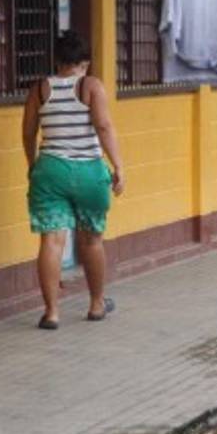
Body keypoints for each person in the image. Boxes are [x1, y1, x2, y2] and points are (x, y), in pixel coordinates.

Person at [23, 31, 125, 330]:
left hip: (50, 169)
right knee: (91, 239)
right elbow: (104, 126)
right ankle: (96, 304)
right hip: (88, 171)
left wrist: (33, 165)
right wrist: (119, 166)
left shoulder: (40, 89)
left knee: (51, 241)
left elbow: (28, 131)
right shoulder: (90, 86)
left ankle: (52, 312)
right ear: (86, 61)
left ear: (57, 60)